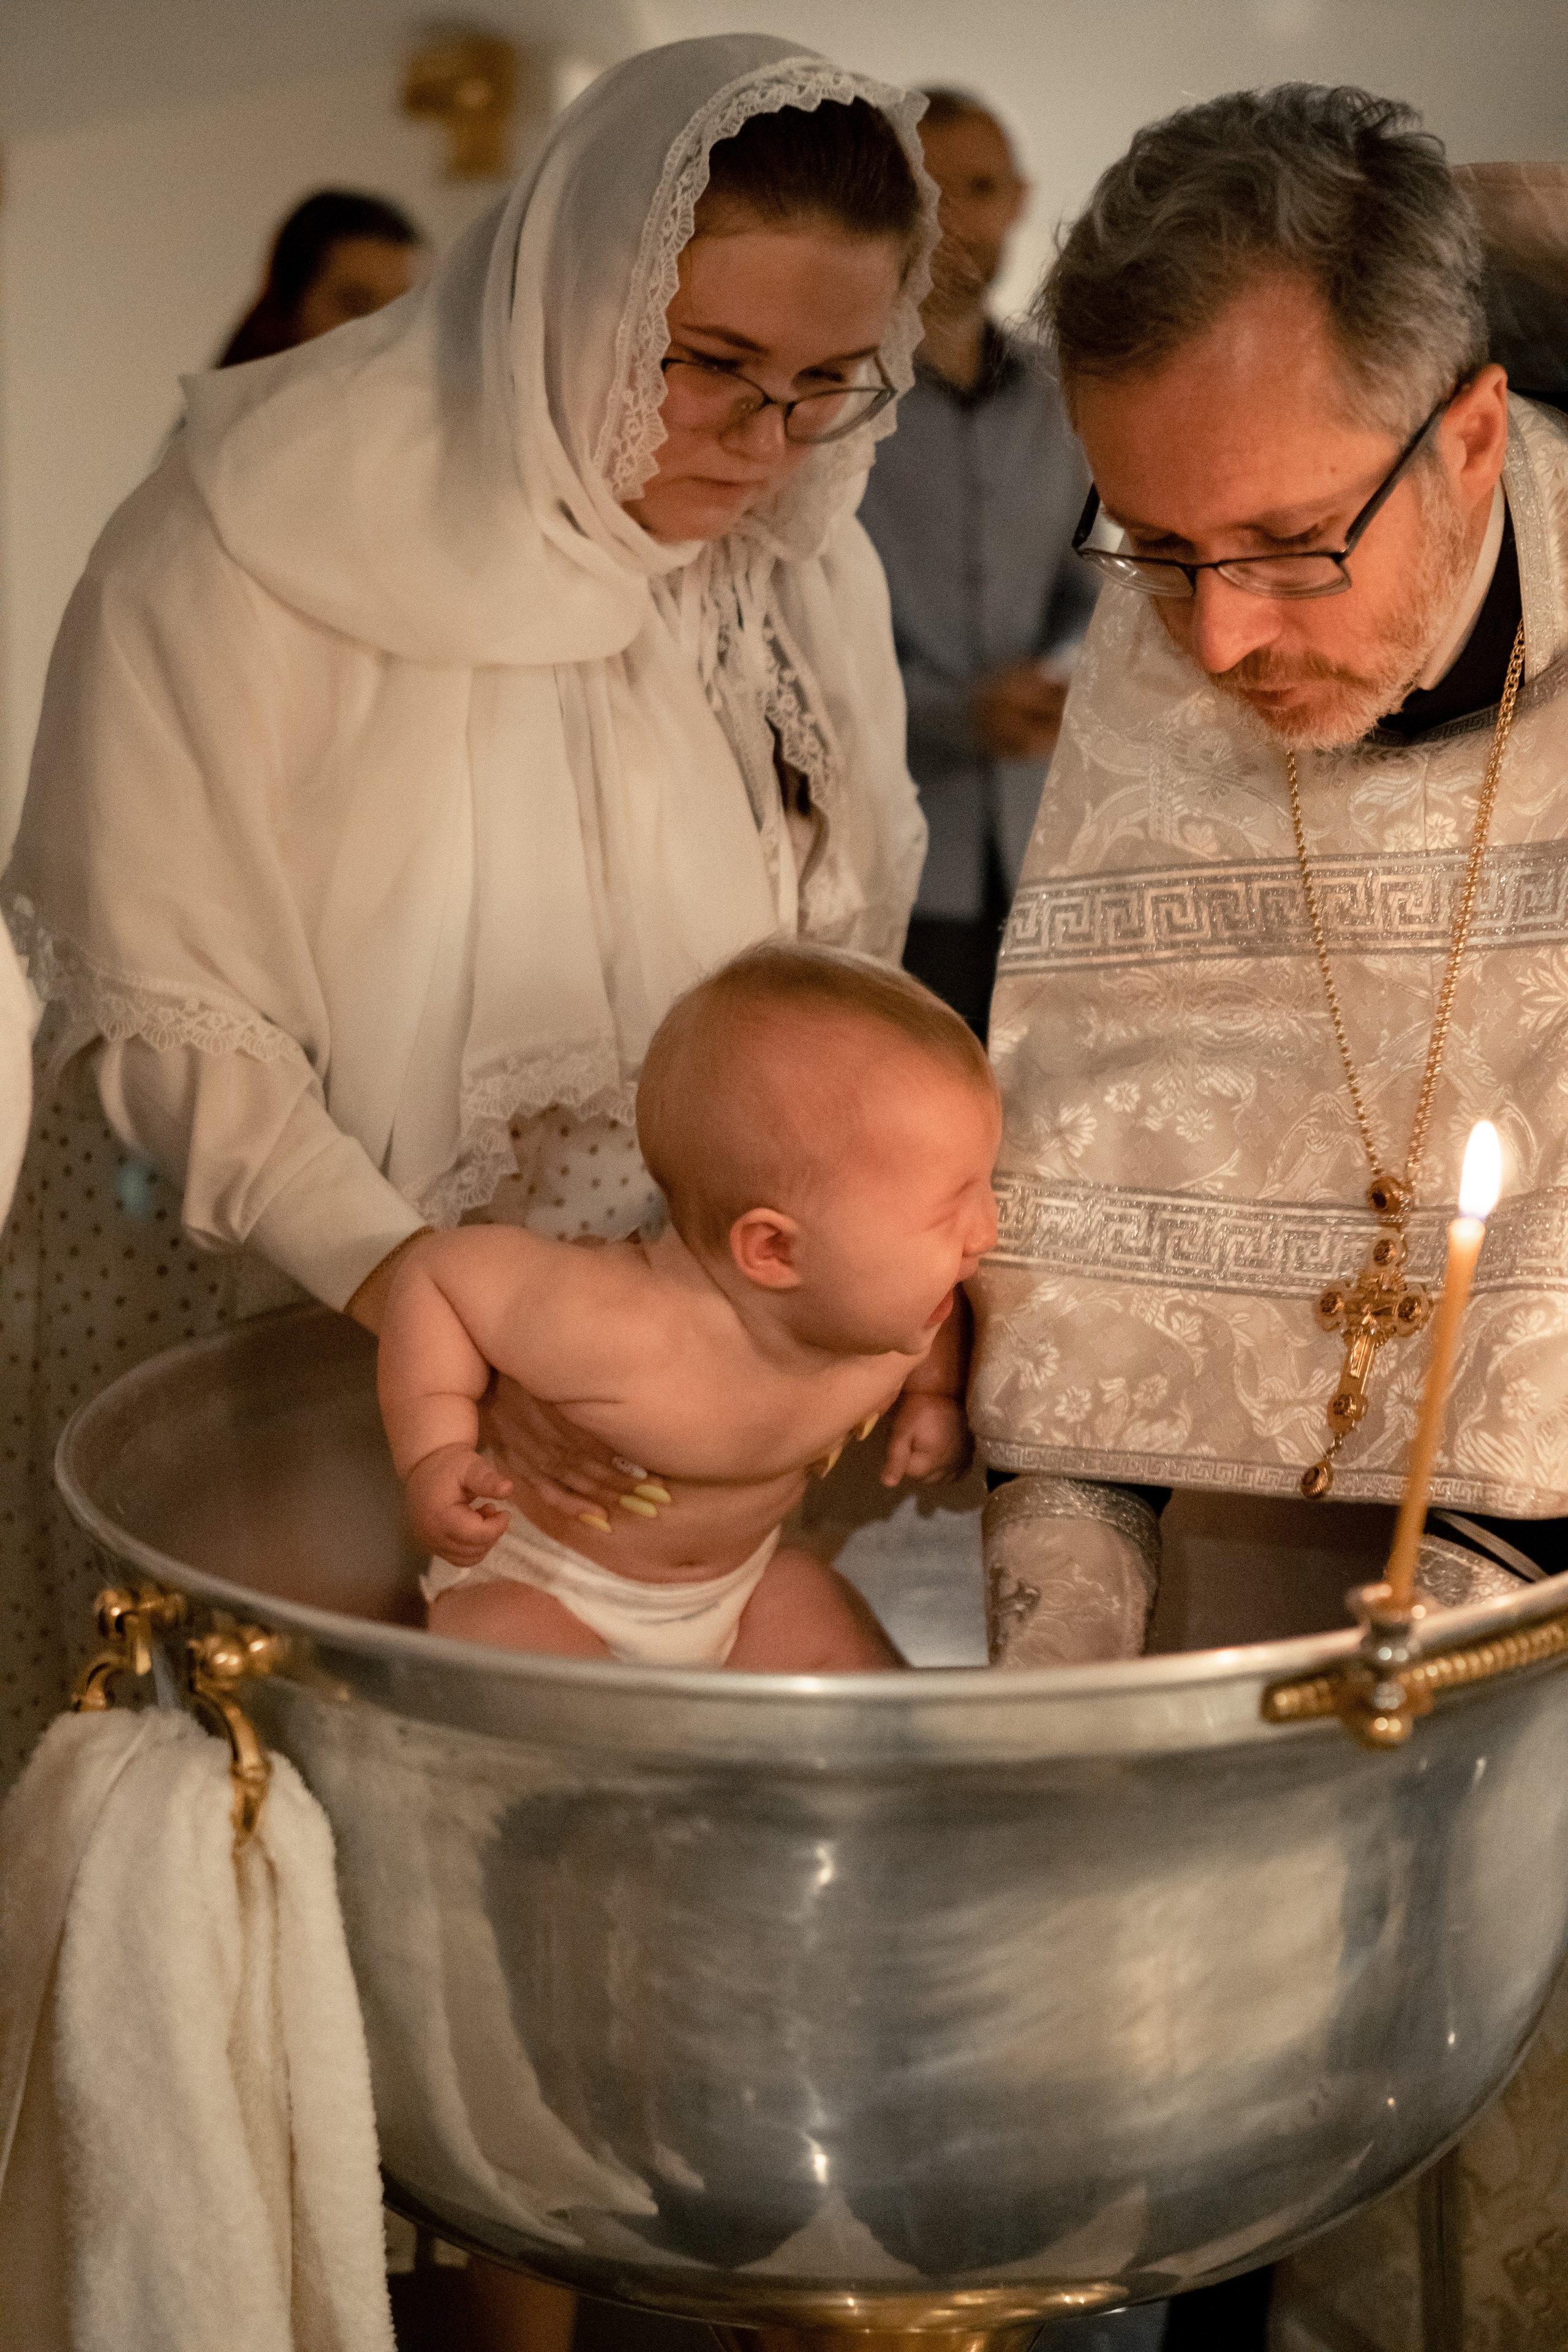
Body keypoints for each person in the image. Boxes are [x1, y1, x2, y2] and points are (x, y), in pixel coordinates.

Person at [0, 35, 936, 1789]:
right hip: (265, 1278)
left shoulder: (806, 565)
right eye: (715, 364)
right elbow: (168, 1011)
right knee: (253, 1828)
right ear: (576, 296)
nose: (769, 442)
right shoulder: (244, 534)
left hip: (635, 1360)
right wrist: (443, 1322)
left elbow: (835, 968)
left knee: (597, 1862)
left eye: (835, 382)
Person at [967, 82, 1568, 2352]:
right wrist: (1052, 1645)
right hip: (1234, 1610)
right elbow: (1103, 1180)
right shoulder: (1163, 657)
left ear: (1475, 431)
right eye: (1149, 549)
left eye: (1295, 543)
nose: (1214, 642)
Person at [380, 944, 996, 1670]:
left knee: (842, 1662)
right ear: (772, 1250)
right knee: (514, 1654)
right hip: (547, 1586)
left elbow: (941, 1312)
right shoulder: (621, 1329)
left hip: (739, 1591)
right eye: (947, 1212)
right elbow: (436, 1276)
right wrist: (436, 1450)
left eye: (983, 1186)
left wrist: (933, 1396)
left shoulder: (891, 1317)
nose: (986, 1231)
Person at [859, 88, 1096, 1033]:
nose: (958, 218)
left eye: (984, 187)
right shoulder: (831, 401)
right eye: (931, 189)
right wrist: (956, 714)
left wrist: (1060, 678)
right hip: (892, 852)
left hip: (1049, 844)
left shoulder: (1067, 395)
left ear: (1021, 198)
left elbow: (1093, 582)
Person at [216, 189, 426, 366]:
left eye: (407, 316)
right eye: (359, 308)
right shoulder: (234, 412)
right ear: (290, 305)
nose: (388, 338)